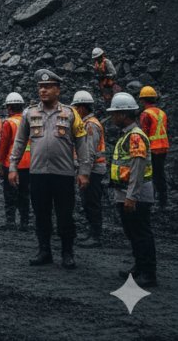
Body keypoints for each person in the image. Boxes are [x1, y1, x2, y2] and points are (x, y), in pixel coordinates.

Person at [8, 70, 91, 269]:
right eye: (40, 87)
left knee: (65, 215)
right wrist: (13, 166)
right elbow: (19, 142)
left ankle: (67, 253)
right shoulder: (29, 113)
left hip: (63, 174)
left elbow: (82, 144)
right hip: (38, 174)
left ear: (58, 90)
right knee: (41, 214)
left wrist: (84, 172)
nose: (43, 90)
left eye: (48, 87)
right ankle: (44, 250)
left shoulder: (70, 114)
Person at [108, 92, 157, 287]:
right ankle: (139, 266)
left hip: (136, 195)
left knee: (141, 233)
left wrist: (131, 197)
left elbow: (137, 167)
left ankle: (149, 272)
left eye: (114, 114)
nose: (112, 117)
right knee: (132, 232)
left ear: (124, 114)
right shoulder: (128, 135)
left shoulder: (135, 136)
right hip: (127, 193)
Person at [70, 90, 107, 247]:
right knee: (88, 202)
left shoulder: (90, 125)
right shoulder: (87, 123)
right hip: (90, 169)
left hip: (93, 171)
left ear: (83, 107)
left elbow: (89, 152)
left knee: (92, 203)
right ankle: (92, 232)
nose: (76, 111)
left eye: (77, 107)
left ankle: (96, 235)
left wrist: (84, 172)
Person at [0, 92, 30, 231]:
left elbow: (4, 145)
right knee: (24, 194)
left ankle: (10, 221)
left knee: (10, 193)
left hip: (11, 164)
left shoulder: (8, 123)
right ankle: (25, 222)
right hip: (29, 163)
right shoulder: (29, 120)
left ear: (9, 108)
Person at [138, 85, 169, 208]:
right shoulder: (162, 113)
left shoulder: (145, 114)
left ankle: (153, 200)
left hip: (153, 148)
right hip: (163, 147)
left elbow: (144, 134)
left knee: (150, 174)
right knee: (160, 173)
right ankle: (163, 199)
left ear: (143, 100)